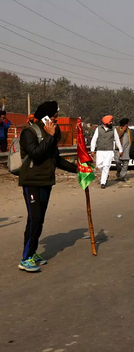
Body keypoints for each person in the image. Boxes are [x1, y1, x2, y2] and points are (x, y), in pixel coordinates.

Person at [17, 101, 77, 272]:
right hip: (31, 182)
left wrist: (77, 169)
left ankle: (33, 251)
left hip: (46, 181)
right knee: (34, 218)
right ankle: (26, 258)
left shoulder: (53, 132)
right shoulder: (29, 133)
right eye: (54, 116)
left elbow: (56, 159)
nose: (56, 119)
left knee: (39, 220)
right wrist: (50, 136)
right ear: (45, 117)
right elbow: (35, 154)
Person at [90, 115, 123, 189]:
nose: (111, 123)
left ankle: (103, 182)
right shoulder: (98, 129)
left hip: (109, 151)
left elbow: (117, 140)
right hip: (100, 151)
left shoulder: (113, 129)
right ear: (106, 122)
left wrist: (121, 150)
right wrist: (92, 150)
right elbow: (94, 139)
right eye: (110, 121)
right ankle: (105, 175)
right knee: (99, 165)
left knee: (106, 166)